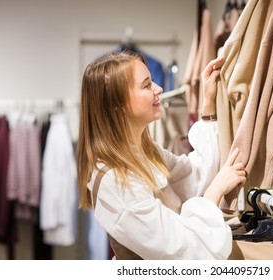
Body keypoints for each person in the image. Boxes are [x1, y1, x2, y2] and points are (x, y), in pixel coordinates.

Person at [76, 50, 246, 260]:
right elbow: (180, 248)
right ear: (117, 105)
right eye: (147, 85)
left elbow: (192, 176)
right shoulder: (115, 180)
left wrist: (208, 102)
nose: (159, 89)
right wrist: (216, 190)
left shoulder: (144, 151)